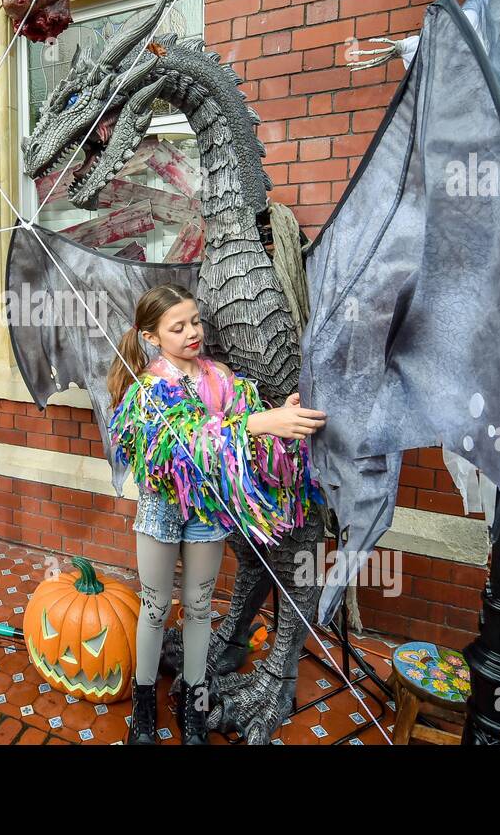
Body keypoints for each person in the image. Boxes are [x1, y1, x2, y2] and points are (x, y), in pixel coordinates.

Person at [107, 283, 326, 744]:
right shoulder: (147, 388)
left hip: (208, 512)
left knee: (201, 607)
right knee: (154, 607)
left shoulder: (223, 378)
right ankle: (143, 712)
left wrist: (277, 422)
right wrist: (256, 423)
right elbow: (185, 437)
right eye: (178, 326)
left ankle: (192, 704)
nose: (193, 332)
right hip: (161, 510)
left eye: (195, 321)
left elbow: (247, 449)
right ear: (151, 337)